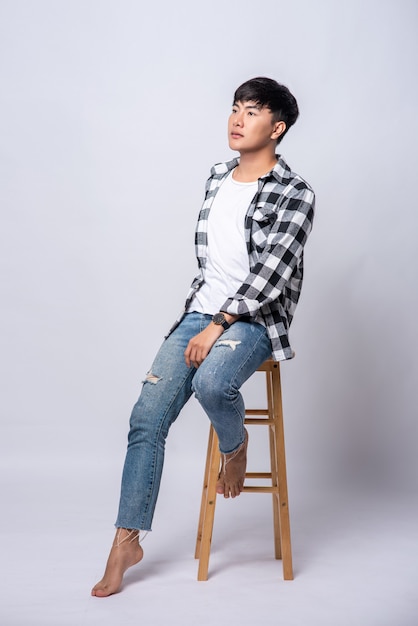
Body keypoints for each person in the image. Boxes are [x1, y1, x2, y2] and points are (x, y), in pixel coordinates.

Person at [91, 77, 315, 597]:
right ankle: (126, 540)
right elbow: (212, 263)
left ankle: (235, 448)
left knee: (215, 384)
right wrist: (203, 317)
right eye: (235, 108)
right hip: (199, 313)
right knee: (146, 419)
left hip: (255, 319)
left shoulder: (296, 194)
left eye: (253, 111)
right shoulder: (217, 176)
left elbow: (270, 277)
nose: (238, 119)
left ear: (277, 128)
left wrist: (220, 323)